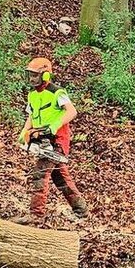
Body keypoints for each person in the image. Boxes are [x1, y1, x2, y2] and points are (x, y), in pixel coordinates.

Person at [18, 56, 88, 221]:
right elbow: (31, 115)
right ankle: (81, 210)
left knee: (40, 174)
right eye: (30, 75)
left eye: (35, 75)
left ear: (46, 75)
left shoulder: (57, 92)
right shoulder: (32, 95)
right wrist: (24, 132)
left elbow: (72, 111)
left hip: (56, 140)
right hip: (41, 138)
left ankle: (36, 214)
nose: (32, 79)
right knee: (59, 176)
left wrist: (55, 125)